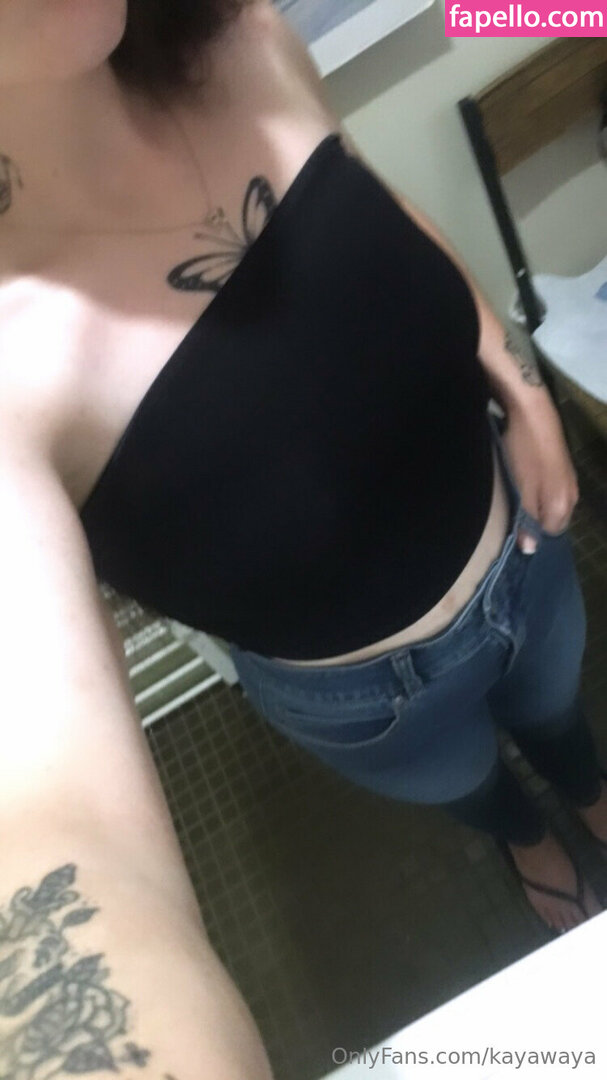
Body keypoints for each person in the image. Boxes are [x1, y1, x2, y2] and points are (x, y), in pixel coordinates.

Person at [0, 26, 606, 1080]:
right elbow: (50, 824)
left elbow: (375, 209)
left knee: (561, 716)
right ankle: (527, 838)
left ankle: (589, 792)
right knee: (473, 787)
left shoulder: (240, 37)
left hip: (524, 543)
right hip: (367, 702)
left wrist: (514, 381)